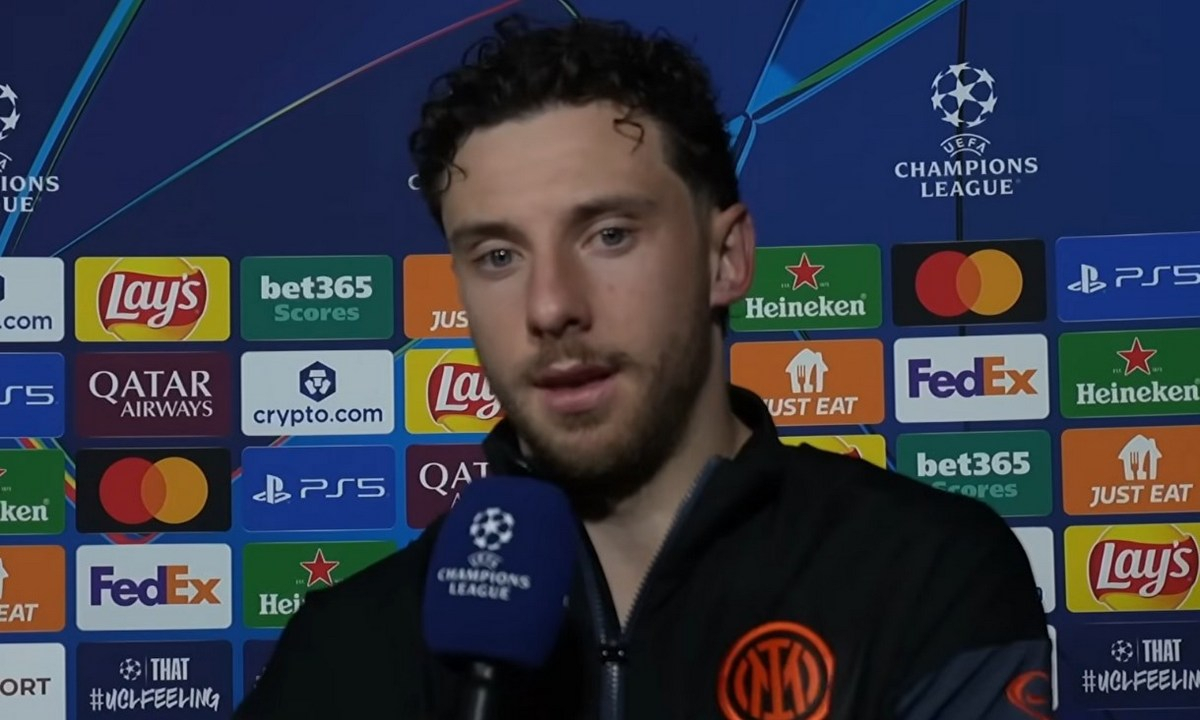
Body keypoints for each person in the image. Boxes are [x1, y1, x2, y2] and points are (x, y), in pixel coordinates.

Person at [235, 13, 1053, 720]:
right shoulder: (350, 645)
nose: (551, 306)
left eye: (609, 235)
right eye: (497, 255)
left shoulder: (925, 575)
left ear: (726, 258)